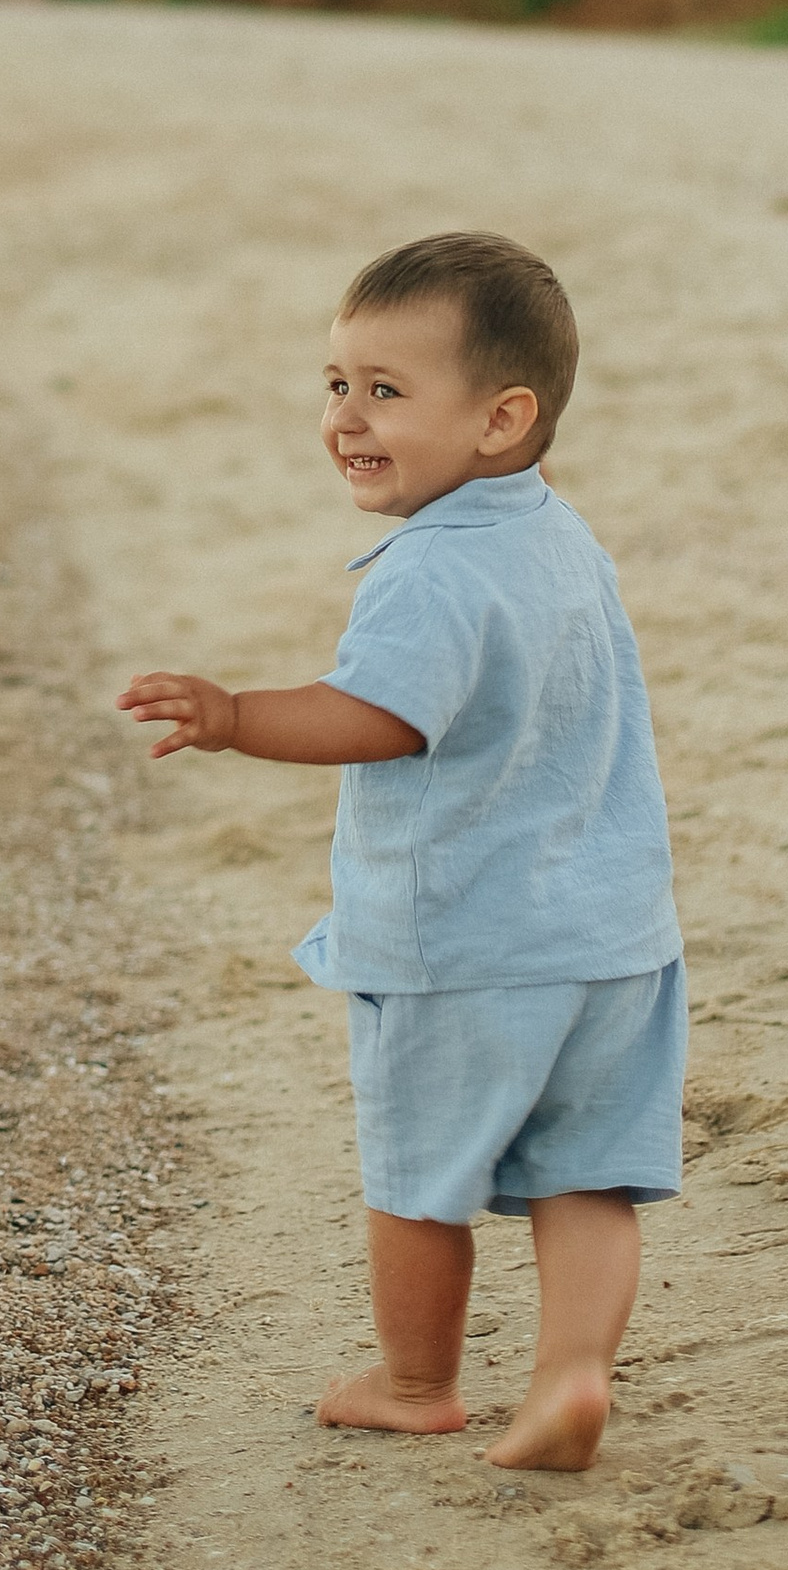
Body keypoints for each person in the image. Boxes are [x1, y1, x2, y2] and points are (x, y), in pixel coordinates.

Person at [117, 230, 683, 1472]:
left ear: (500, 418)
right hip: (610, 936)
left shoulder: (430, 571)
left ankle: (416, 1381)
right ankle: (570, 1374)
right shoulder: (562, 540)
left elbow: (378, 714)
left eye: (384, 390)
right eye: (335, 384)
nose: (345, 418)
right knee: (585, 1179)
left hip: (464, 945)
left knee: (421, 1176)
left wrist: (232, 717)